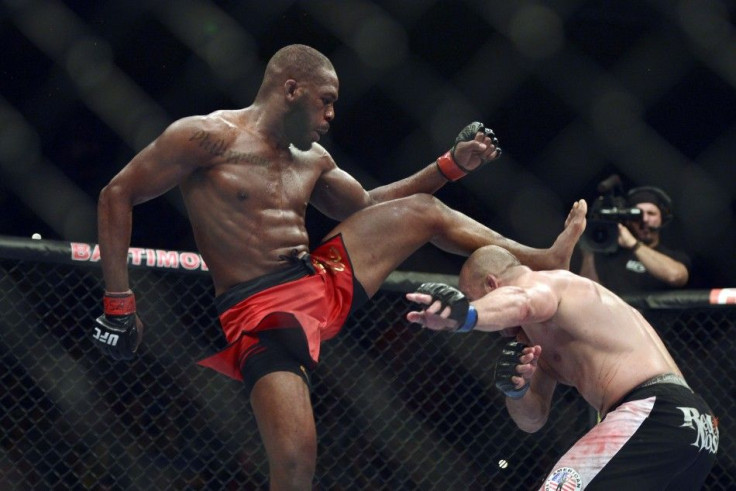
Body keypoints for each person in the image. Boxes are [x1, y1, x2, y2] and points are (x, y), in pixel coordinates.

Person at [92, 44, 587, 490]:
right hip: (260, 313)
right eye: (324, 100)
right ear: (291, 89)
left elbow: (368, 206)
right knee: (294, 462)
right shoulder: (206, 138)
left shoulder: (313, 160)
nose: (331, 114)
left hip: (319, 279)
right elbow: (118, 194)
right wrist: (120, 303)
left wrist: (450, 166)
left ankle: (542, 259)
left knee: (423, 213)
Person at [406, 243, 719, 490]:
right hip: (697, 427)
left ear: (493, 285)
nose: (498, 331)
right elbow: (534, 419)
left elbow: (522, 301)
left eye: (476, 298)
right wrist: (516, 390)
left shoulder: (547, 285)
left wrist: (467, 315)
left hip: (653, 411)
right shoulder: (534, 341)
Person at [578, 186, 691, 295]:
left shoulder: (673, 256)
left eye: (651, 214)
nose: (644, 219)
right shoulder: (610, 253)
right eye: (637, 214)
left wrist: (634, 244)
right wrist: (589, 251)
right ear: (629, 220)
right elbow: (587, 292)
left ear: (662, 219)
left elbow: (676, 276)